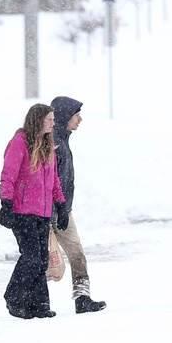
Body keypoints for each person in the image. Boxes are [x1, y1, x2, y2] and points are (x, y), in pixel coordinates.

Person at [0, 104, 66, 319]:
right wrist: (6, 203)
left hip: (43, 212)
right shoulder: (20, 142)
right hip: (22, 211)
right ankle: (15, 297)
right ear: (38, 120)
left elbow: (54, 180)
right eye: (49, 119)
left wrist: (61, 205)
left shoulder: (47, 144)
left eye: (53, 120)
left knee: (42, 260)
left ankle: (38, 304)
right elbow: (8, 174)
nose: (53, 123)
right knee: (32, 258)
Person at [50, 96, 107, 314]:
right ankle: (34, 300)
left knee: (76, 254)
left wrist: (64, 209)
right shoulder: (53, 143)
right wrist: (56, 209)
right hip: (49, 211)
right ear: (65, 116)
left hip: (64, 210)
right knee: (46, 261)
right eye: (76, 116)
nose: (80, 120)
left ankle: (82, 297)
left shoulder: (63, 139)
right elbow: (48, 181)